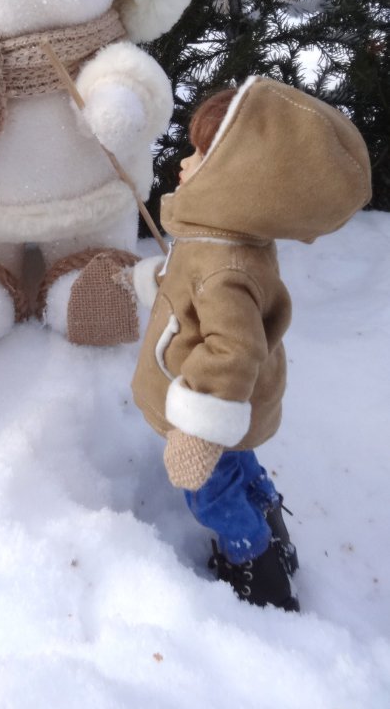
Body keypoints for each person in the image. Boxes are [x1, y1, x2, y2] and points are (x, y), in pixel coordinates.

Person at [132, 77, 371, 610]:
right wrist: (159, 284)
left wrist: (197, 427)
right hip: (238, 402)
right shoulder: (224, 240)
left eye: (199, 156)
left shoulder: (224, 265)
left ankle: (254, 565)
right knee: (241, 465)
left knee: (210, 487)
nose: (183, 163)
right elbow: (194, 297)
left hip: (212, 406)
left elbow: (232, 348)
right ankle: (270, 525)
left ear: (238, 181)